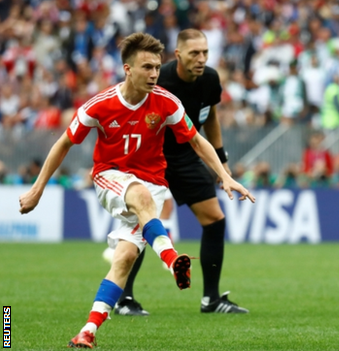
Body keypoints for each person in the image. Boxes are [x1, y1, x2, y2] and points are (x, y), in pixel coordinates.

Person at [18, 33, 255, 348]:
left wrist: (224, 175)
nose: (154, 74)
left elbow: (197, 140)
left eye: (157, 67)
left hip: (153, 183)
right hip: (110, 176)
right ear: (128, 69)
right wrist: (38, 189)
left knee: (125, 258)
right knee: (140, 196)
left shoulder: (167, 102)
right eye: (147, 67)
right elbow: (63, 143)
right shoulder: (100, 105)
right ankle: (171, 260)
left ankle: (87, 331)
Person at [110, 28, 251, 316]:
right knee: (140, 228)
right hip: (152, 158)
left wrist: (222, 164)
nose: (201, 59)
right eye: (194, 53)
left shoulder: (210, 79)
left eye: (205, 53)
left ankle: (211, 299)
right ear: (178, 55)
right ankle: (124, 300)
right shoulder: (159, 78)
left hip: (187, 157)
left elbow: (209, 116)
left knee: (215, 219)